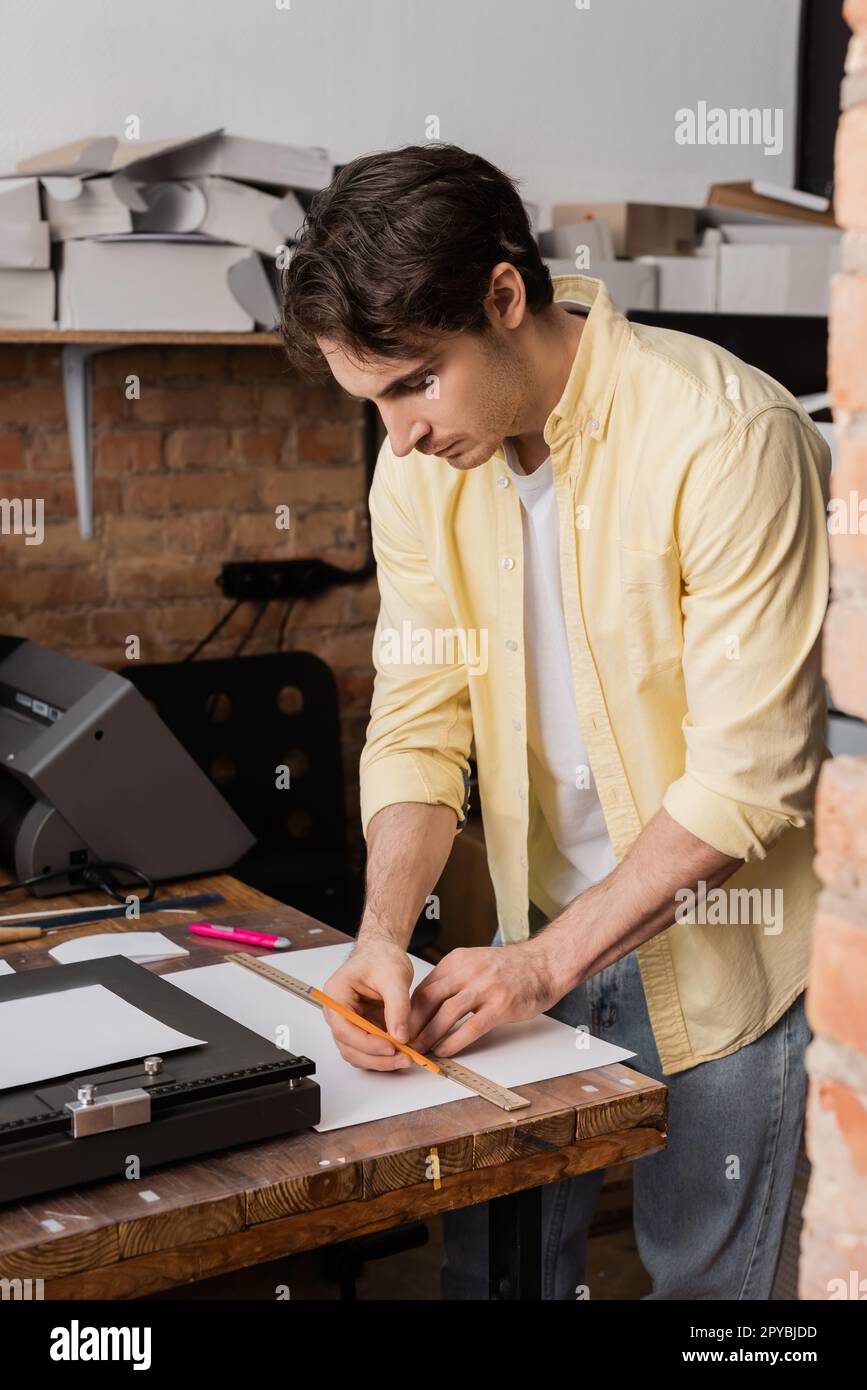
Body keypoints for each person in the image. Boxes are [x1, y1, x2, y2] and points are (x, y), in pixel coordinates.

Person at [279, 143, 831, 1299]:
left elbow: (748, 778)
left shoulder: (727, 436)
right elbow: (421, 723)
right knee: (496, 1279)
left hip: (724, 957)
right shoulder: (417, 475)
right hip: (522, 947)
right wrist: (384, 931)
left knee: (713, 1302)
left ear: (505, 296)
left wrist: (541, 964)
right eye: (373, 400)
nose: (403, 436)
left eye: (416, 382)